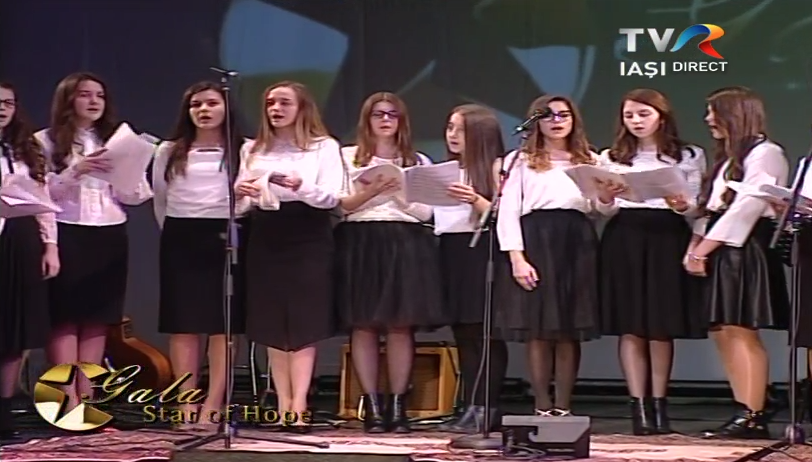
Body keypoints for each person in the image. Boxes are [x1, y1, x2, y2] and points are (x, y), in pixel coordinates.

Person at [35, 72, 153, 412]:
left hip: (109, 232)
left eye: (99, 95)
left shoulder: (113, 140)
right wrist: (78, 170)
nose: (94, 101)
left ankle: (87, 400)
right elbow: (41, 193)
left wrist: (132, 170)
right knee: (64, 318)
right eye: (85, 94)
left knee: (98, 319)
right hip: (66, 232)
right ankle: (65, 401)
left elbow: (133, 196)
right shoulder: (44, 140)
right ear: (68, 99)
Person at [494, 95, 615, 417]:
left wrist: (605, 197)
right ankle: (541, 405)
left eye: (564, 115)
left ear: (574, 120)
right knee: (539, 329)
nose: (556, 121)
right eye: (548, 115)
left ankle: (563, 405)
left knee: (567, 329)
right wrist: (517, 258)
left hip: (576, 241)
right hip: (537, 239)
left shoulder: (590, 159)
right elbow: (508, 211)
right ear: (536, 121)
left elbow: (601, 210)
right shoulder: (519, 160)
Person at [596, 89, 707, 435]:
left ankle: (660, 404)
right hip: (625, 236)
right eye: (629, 115)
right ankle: (638, 407)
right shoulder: (611, 156)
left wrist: (682, 204)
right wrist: (605, 197)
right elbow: (603, 210)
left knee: (660, 324)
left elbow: (697, 208)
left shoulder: (688, 155)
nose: (636, 121)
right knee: (631, 324)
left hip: (666, 236)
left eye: (643, 114)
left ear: (661, 116)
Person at [234, 80, 343, 433]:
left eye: (284, 103)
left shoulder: (323, 147)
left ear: (302, 108)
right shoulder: (252, 148)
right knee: (272, 321)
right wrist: (242, 193)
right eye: (270, 103)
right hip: (267, 232)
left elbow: (332, 197)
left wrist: (301, 187)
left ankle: (300, 403)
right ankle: (282, 403)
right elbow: (241, 206)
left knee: (303, 320)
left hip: (308, 232)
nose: (276, 109)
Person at [334, 92, 446, 434]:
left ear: (402, 121)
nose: (385, 120)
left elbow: (427, 213)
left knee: (400, 324)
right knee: (363, 324)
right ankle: (372, 405)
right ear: (366, 120)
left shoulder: (418, 161)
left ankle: (398, 406)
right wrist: (371, 191)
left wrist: (398, 191)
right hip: (361, 240)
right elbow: (339, 206)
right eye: (378, 114)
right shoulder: (347, 157)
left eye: (392, 114)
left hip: (404, 240)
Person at [685, 86, 789, 439]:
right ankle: (744, 404)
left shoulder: (766, 153)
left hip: (744, 249)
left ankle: (754, 413)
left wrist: (703, 249)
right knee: (724, 330)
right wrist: (695, 245)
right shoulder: (728, 158)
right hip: (720, 247)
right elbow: (712, 208)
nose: (708, 119)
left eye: (714, 111)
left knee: (742, 330)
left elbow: (748, 207)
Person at [151, 81, 248, 431]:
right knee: (184, 324)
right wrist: (176, 230)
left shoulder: (244, 149)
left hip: (226, 234)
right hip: (181, 235)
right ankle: (186, 403)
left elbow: (249, 198)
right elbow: (160, 199)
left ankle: (213, 404)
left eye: (211, 103)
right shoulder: (169, 150)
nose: (203, 110)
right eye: (196, 105)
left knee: (223, 325)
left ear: (226, 108)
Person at [433, 104, 508, 434]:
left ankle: (485, 406)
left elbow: (507, 214)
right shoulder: (446, 170)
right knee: (462, 331)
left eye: (461, 129)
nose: (452, 135)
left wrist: (476, 199)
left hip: (483, 249)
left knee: (484, 332)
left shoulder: (497, 167)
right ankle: (468, 405)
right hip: (451, 250)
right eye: (450, 127)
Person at [0, 82, 59, 440]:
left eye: (7, 103)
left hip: (21, 238)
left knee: (13, 331)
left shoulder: (24, 149)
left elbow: (43, 200)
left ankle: (4, 408)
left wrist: (50, 246)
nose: (2, 108)